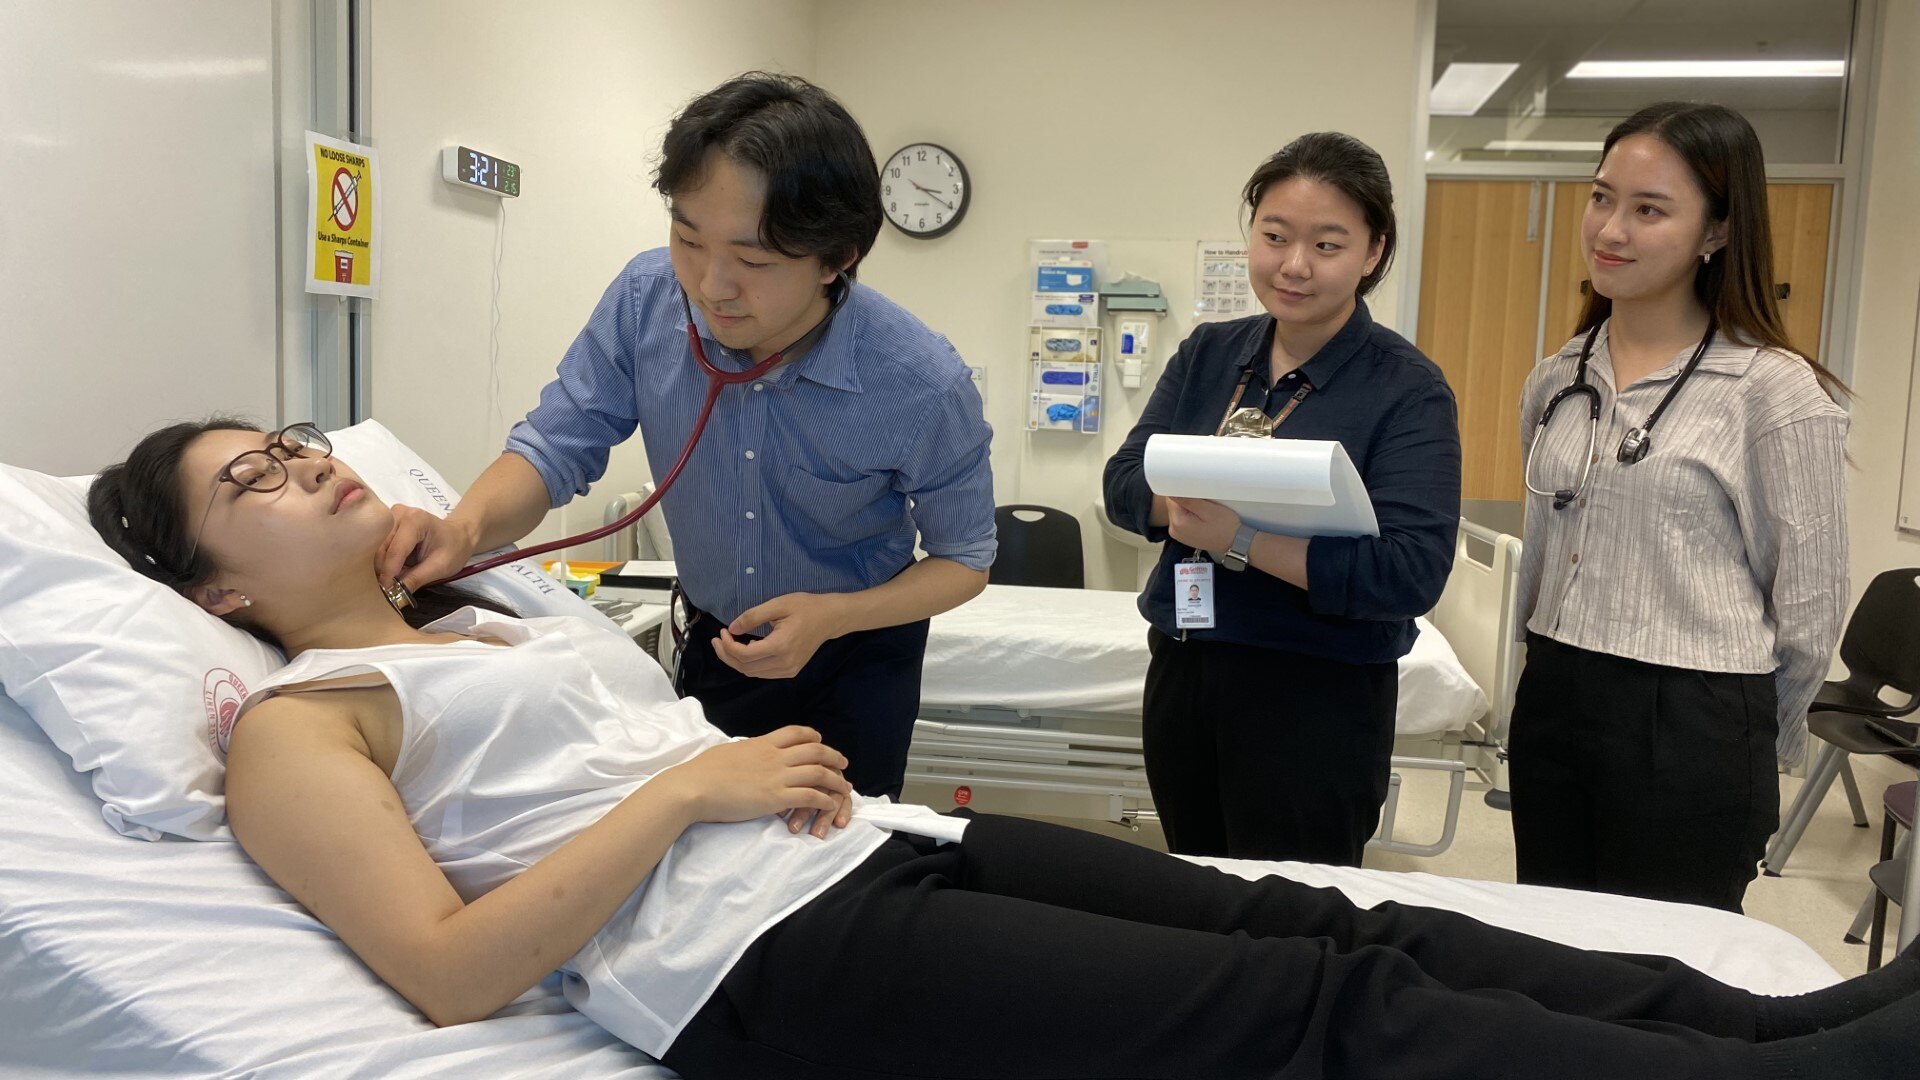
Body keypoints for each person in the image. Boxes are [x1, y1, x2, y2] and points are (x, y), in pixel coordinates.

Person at [80, 415, 1920, 1079]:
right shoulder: (297, 730)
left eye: (299, 440)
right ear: (216, 589)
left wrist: (726, 757)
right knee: (1313, 1028)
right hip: (764, 968)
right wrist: (692, 784)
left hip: (866, 852)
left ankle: (1758, 1023)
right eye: (253, 479)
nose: (312, 466)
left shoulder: (481, 614)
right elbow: (448, 977)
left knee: (1315, 925)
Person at [380, 73, 996, 800]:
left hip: (855, 656)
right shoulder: (646, 301)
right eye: (687, 238)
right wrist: (465, 527)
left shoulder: (921, 383)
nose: (710, 285)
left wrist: (834, 617)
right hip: (715, 642)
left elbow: (965, 558)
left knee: (835, 869)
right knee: (703, 842)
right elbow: (555, 446)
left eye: (755, 261)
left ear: (838, 260)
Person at [1511, 102, 1850, 912]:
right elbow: (1544, 547)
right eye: (1602, 197)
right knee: (1549, 949)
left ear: (1717, 233)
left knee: (1667, 979)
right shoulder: (1560, 377)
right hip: (1557, 693)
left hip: (1695, 717)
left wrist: (1759, 742)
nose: (1610, 228)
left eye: (1649, 209)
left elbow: (1808, 605)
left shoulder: (1773, 391)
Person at [1103, 133, 1462, 865]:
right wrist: (1179, 513)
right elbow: (1123, 483)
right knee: (1197, 891)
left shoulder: (1406, 389)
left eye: (1328, 245)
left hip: (1316, 696)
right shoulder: (1210, 351)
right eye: (1274, 236)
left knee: (1294, 921)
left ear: (1373, 252)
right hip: (1187, 670)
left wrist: (1235, 539)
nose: (1293, 265)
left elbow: (1408, 573)